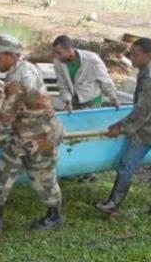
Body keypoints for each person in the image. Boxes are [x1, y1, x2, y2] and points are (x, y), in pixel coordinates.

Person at [0, 34, 65, 231]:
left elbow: (6, 115)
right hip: (23, 134)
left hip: (42, 137)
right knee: (4, 170)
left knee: (43, 178)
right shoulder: (22, 67)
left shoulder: (19, 79)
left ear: (12, 56)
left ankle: (55, 216)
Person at [95, 38, 151, 216]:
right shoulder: (146, 71)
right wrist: (125, 125)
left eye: (135, 54)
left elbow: (142, 111)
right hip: (146, 128)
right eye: (131, 54)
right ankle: (113, 203)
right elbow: (142, 110)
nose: (131, 58)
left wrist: (120, 126)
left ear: (148, 55)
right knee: (127, 163)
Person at [51, 34, 121, 182]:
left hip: (92, 102)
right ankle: (74, 168)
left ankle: (89, 172)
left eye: (59, 52)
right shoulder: (58, 62)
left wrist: (113, 97)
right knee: (73, 136)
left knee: (89, 136)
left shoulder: (92, 60)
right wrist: (67, 100)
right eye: (55, 53)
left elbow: (105, 81)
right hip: (74, 102)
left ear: (69, 49)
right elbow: (62, 85)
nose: (57, 56)